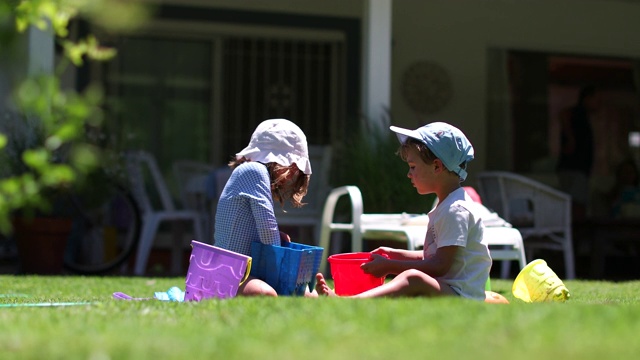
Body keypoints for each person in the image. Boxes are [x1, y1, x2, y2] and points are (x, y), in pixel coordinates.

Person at [314, 122, 507, 303]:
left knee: (413, 278)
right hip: (449, 288)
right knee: (413, 277)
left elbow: (440, 265)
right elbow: (431, 257)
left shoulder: (456, 210)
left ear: (437, 166)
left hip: (462, 295)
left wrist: (390, 266)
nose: (408, 174)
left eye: (413, 167)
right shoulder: (447, 206)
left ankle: (348, 301)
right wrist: (393, 254)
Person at [214, 118, 312, 297]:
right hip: (227, 271)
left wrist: (279, 238)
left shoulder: (253, 172)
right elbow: (268, 229)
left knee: (309, 295)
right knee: (265, 292)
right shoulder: (254, 171)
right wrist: (281, 267)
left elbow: (258, 230)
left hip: (247, 272)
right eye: (295, 168)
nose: (293, 176)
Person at [556, 86, 599, 221]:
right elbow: (563, 114)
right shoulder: (577, 112)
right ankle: (575, 235)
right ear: (587, 98)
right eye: (595, 100)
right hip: (574, 167)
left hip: (579, 168)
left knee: (578, 203)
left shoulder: (584, 116)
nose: (598, 104)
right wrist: (570, 138)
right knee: (576, 205)